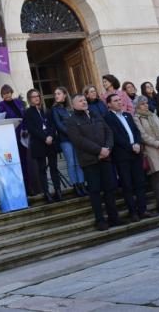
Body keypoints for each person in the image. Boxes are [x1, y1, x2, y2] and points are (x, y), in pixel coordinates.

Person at [66, 94, 122, 231]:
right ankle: (100, 220)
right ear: (73, 105)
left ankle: (114, 218)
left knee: (109, 189)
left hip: (105, 157)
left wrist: (107, 148)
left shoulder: (95, 114)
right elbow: (79, 141)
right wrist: (99, 150)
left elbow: (108, 132)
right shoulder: (71, 120)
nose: (84, 102)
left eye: (84, 100)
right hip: (90, 161)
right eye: (80, 101)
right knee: (95, 192)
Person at [104, 94, 149, 222]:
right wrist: (131, 147)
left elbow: (136, 131)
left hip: (135, 154)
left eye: (120, 100)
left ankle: (143, 209)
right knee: (127, 185)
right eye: (116, 101)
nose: (119, 102)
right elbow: (116, 136)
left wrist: (138, 143)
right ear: (109, 104)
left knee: (140, 182)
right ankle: (133, 212)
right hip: (122, 155)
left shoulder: (127, 115)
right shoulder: (108, 118)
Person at [23, 88, 62, 202]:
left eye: (38, 96)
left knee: (54, 168)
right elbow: (31, 129)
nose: (37, 98)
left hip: (51, 143)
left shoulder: (47, 110)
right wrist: (44, 138)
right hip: (39, 144)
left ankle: (58, 190)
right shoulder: (28, 112)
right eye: (34, 96)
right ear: (30, 99)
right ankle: (46, 193)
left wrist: (50, 136)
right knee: (42, 169)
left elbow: (53, 125)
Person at [0, 84, 32, 195]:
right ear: (2, 95)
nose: (6, 95)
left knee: (25, 162)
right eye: (4, 93)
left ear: (11, 92)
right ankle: (19, 190)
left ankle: (28, 188)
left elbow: (25, 116)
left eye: (8, 92)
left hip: (23, 134)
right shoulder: (1, 105)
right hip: (11, 138)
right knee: (15, 163)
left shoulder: (18, 102)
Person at [51, 87, 86, 196]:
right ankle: (75, 186)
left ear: (65, 95)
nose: (56, 95)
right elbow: (59, 125)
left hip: (77, 139)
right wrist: (71, 134)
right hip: (65, 139)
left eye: (59, 93)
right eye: (55, 94)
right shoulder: (55, 109)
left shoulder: (71, 108)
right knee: (71, 162)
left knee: (79, 162)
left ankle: (82, 185)